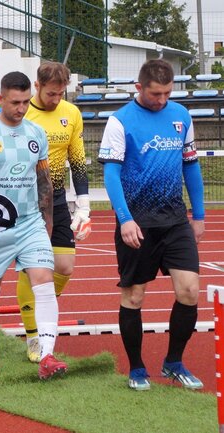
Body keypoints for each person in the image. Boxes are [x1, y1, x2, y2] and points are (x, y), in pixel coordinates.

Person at [98, 59, 205, 391]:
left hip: (175, 220)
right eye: (156, 94)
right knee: (134, 297)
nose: (162, 100)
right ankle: (137, 368)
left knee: (189, 291)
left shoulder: (181, 115)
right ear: (139, 87)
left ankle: (174, 362)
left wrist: (199, 216)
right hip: (138, 223)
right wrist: (125, 219)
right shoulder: (120, 121)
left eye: (167, 93)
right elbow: (111, 173)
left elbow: (191, 166)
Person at [0, 71, 67, 379]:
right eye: (15, 102)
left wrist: (47, 223)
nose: (21, 108)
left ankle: (47, 355)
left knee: (44, 280)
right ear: (1, 99)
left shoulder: (36, 133)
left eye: (25, 102)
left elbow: (43, 180)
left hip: (30, 222)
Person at [16, 61, 91, 362]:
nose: (56, 99)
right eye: (51, 94)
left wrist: (83, 204)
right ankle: (34, 336)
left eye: (61, 94)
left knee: (64, 266)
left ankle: (43, 308)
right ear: (37, 86)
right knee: (32, 268)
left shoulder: (71, 113)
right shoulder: (23, 113)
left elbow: (78, 159)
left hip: (58, 201)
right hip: (26, 202)